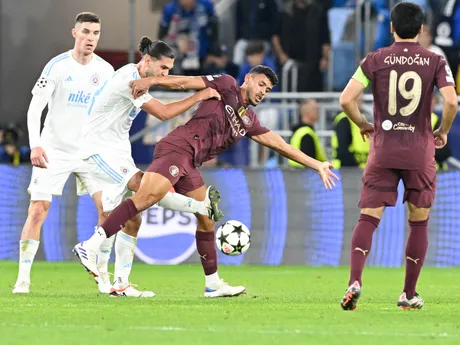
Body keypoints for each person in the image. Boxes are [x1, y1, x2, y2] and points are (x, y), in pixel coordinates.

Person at [74, 65, 339, 298]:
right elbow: (184, 82)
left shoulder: (248, 120)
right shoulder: (226, 84)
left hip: (191, 163)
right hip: (178, 148)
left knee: (206, 218)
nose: (262, 92)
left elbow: (280, 145)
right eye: (261, 84)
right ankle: (90, 246)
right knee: (145, 199)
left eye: (267, 90)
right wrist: (150, 81)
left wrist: (316, 164)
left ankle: (212, 285)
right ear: (248, 78)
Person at [78, 36, 223, 297]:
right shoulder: (130, 81)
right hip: (97, 148)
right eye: (163, 69)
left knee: (133, 217)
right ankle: (89, 247)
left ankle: (120, 284)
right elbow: (164, 113)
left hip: (118, 150)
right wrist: (200, 95)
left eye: (169, 70)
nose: (166, 74)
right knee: (144, 188)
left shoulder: (135, 76)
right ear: (148, 60)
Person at [338, 2, 457, 311]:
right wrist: (442, 130)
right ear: (421, 29)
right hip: (419, 151)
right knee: (419, 223)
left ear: (391, 27)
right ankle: (408, 293)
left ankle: (355, 281)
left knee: (368, 217)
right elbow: (452, 102)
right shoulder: (435, 61)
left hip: (383, 149)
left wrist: (363, 124)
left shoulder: (374, 59)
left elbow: (346, 99)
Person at [12, 12, 114, 294]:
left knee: (108, 210)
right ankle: (23, 279)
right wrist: (36, 144)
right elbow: (35, 109)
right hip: (54, 149)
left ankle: (103, 277)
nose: (91, 38)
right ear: (74, 33)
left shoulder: (105, 71)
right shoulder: (57, 66)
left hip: (91, 152)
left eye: (95, 33)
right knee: (38, 210)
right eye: (86, 32)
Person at [331, 95, 370, 169]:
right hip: (349, 171)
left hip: (361, 169)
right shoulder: (344, 120)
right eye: (357, 95)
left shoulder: (362, 119)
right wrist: (356, 168)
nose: (360, 99)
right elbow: (343, 150)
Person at [288, 99, 328, 166]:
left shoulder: (300, 131)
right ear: (307, 112)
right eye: (315, 109)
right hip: (305, 174)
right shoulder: (306, 134)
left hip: (296, 173)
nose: (318, 112)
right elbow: (309, 162)